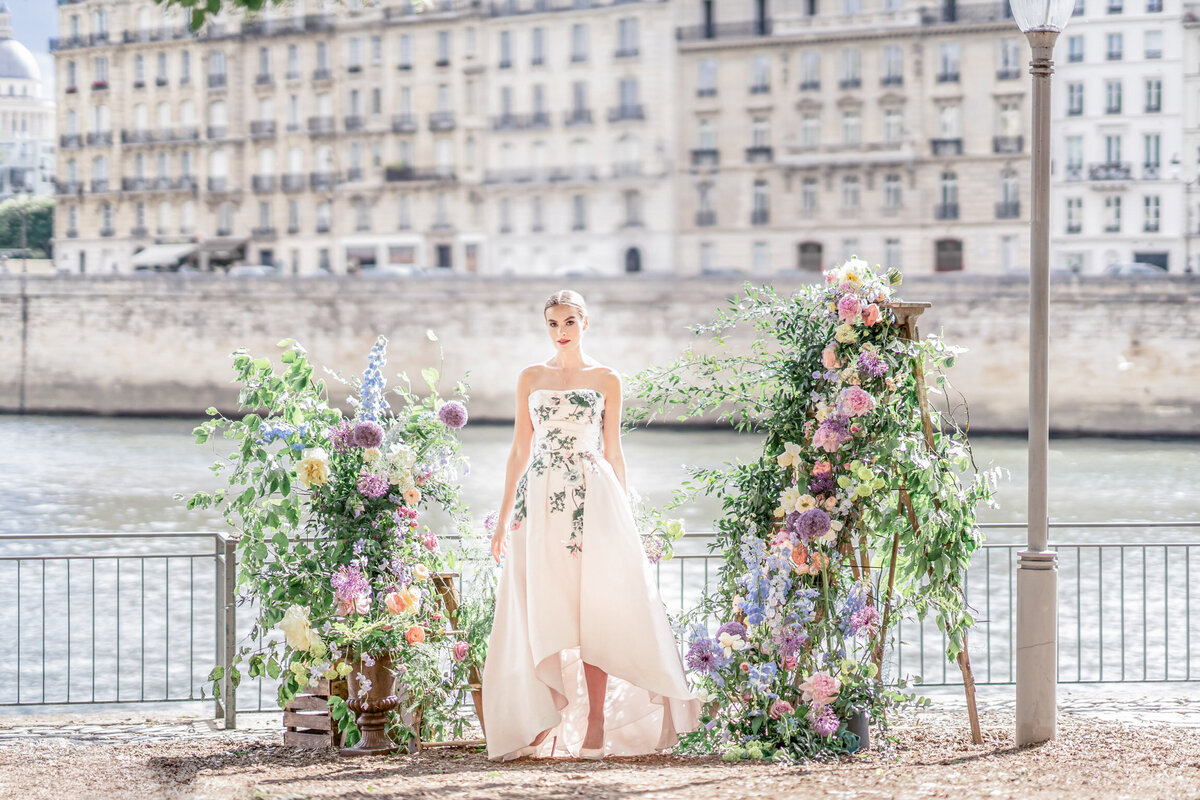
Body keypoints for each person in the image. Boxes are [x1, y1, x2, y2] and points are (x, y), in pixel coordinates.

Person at [481, 290, 700, 761]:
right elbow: (519, 451)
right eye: (553, 324)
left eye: (569, 323)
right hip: (539, 501)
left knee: (595, 608)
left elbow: (614, 449)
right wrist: (502, 519)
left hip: (592, 496)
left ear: (585, 323)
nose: (560, 332)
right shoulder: (530, 377)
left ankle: (597, 725)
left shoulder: (606, 379)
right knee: (545, 609)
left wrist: (626, 516)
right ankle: (546, 720)